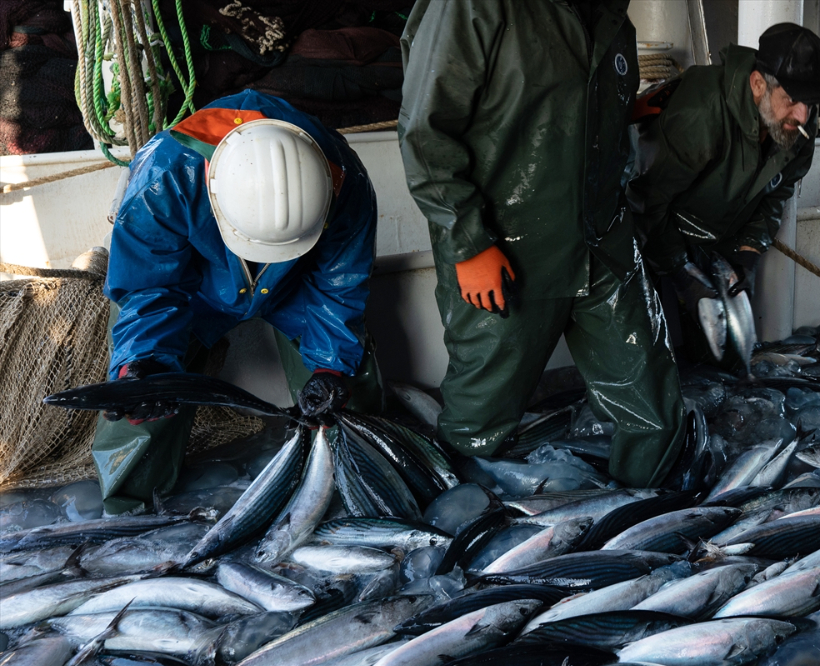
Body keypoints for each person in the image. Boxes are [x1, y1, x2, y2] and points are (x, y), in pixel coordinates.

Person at [398, 0, 686, 488]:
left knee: (654, 404)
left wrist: (620, 108)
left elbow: (561, 104)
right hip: (505, 252)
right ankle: (466, 539)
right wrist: (467, 243)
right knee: (480, 422)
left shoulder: (615, 17)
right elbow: (426, 130)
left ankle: (642, 531)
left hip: (605, 245)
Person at [95, 89, 381, 514]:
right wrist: (144, 361)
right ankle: (127, 512)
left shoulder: (347, 183)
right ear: (212, 185)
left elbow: (339, 287)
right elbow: (148, 285)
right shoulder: (164, 173)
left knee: (350, 390)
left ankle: (363, 492)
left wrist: (330, 368)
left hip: (295, 286)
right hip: (192, 289)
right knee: (141, 397)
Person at [627, 23, 820, 360]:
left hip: (721, 243)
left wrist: (749, 252)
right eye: (792, 100)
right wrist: (681, 272)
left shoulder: (799, 129)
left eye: (810, 104)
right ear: (758, 84)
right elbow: (646, 202)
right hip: (660, 234)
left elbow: (775, 197)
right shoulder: (702, 114)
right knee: (659, 364)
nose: (802, 116)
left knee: (726, 365)